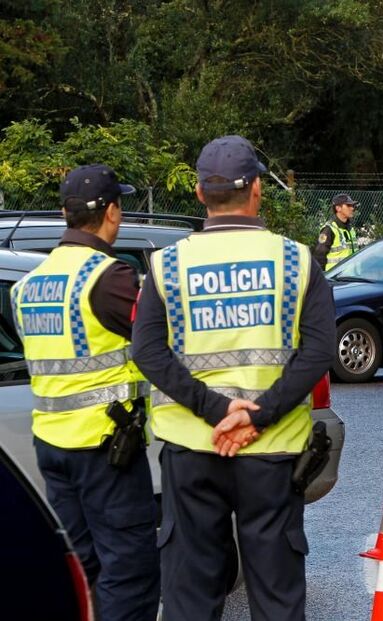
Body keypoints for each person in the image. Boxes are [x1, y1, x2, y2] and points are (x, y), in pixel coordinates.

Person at [132, 135, 335, 621]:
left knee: (191, 597)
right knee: (277, 598)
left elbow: (148, 352)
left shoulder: (167, 266)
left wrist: (215, 410)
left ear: (200, 194)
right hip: (273, 454)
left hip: (193, 451)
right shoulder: (296, 261)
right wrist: (256, 415)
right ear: (258, 189)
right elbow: (319, 351)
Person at [11, 164, 159, 620]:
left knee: (83, 568)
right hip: (105, 448)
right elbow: (157, 341)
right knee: (130, 573)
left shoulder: (27, 285)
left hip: (52, 447)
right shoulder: (108, 277)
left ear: (64, 213)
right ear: (112, 211)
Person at [314, 192, 359, 270]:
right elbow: (319, 256)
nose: (352, 208)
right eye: (348, 205)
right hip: (335, 279)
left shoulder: (350, 229)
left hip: (352, 277)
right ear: (338, 208)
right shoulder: (329, 229)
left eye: (352, 205)